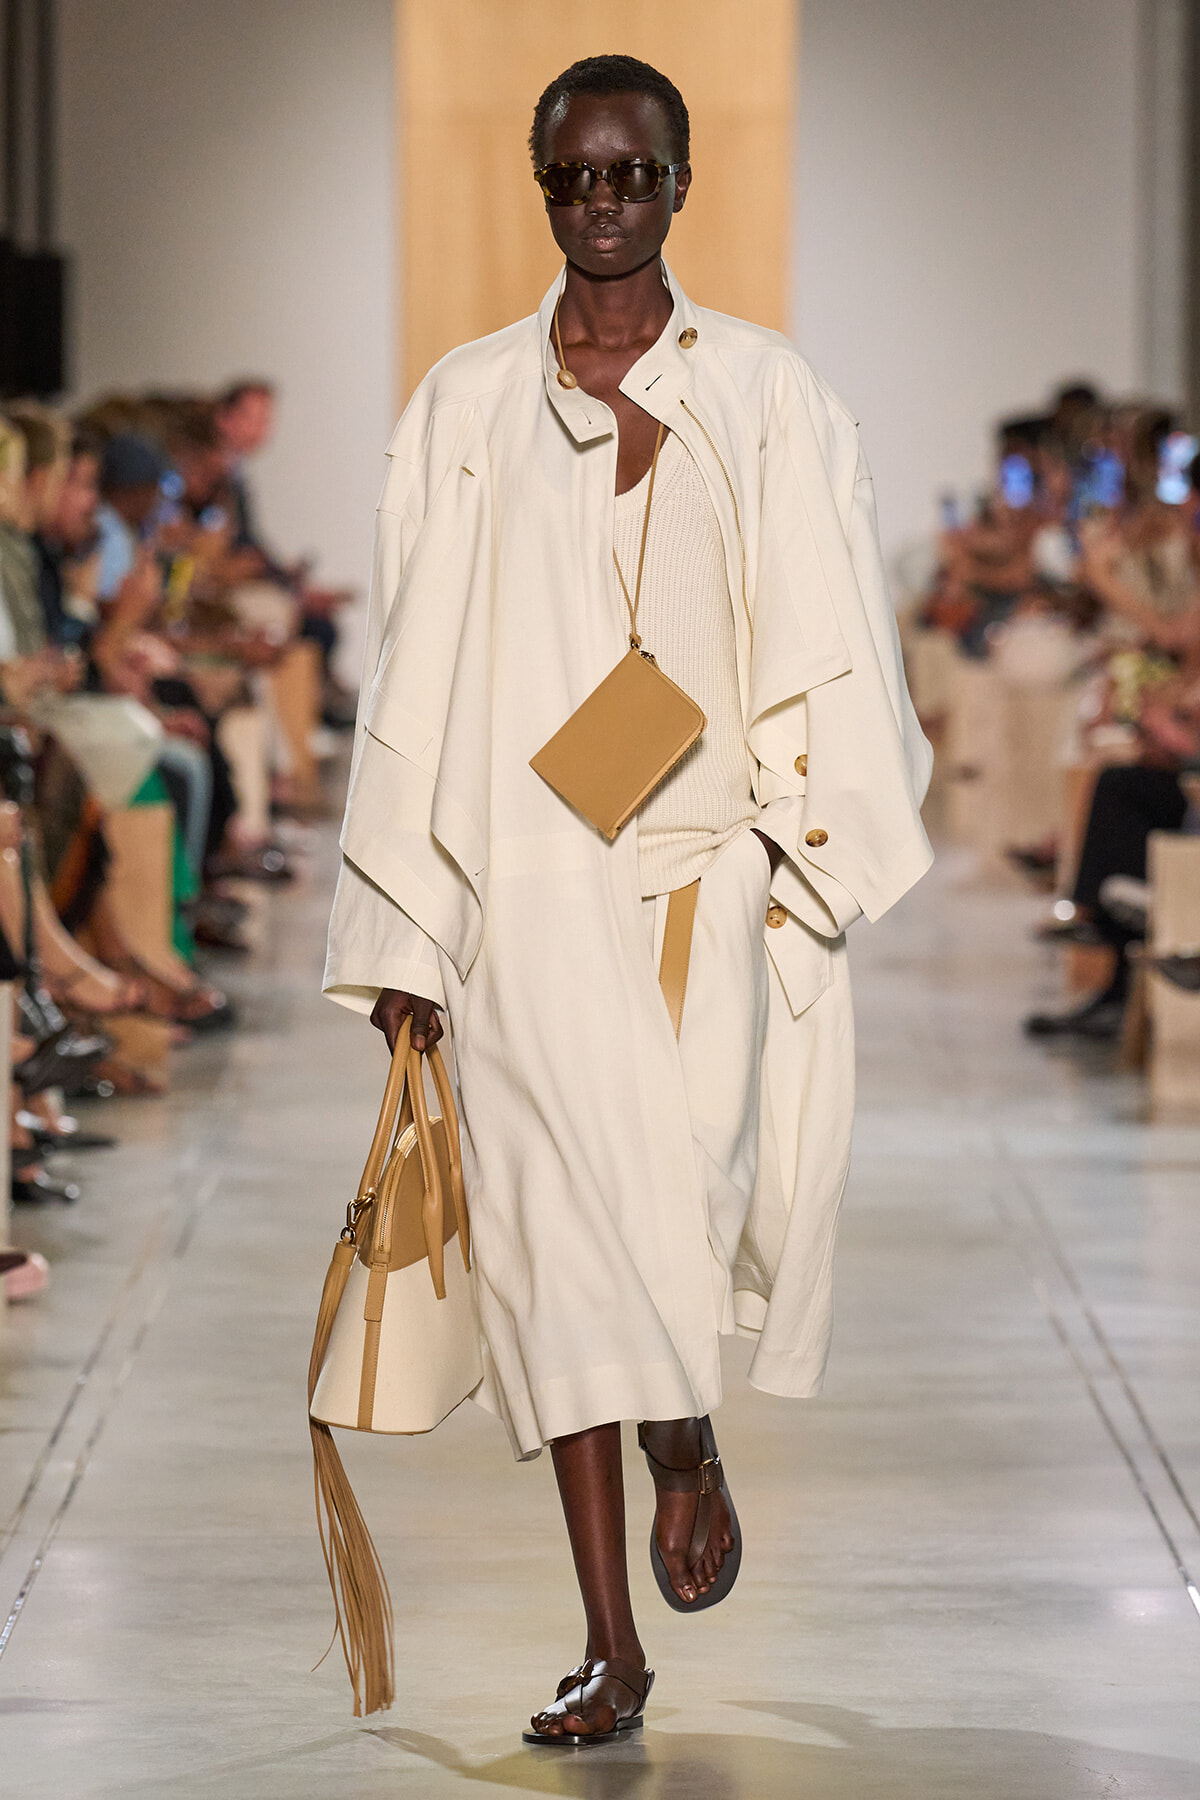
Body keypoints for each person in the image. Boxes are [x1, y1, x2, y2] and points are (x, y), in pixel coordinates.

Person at [324, 55, 932, 1742]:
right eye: (577, 179)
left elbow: (833, 633)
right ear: (544, 189)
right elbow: (413, 674)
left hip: (701, 875)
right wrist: (406, 937)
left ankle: (688, 1434)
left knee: (679, 1194)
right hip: (524, 886)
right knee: (556, 1258)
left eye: (634, 175)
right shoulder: (461, 405)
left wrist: (802, 866)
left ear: (679, 186)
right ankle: (613, 1643)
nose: (606, 204)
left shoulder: (765, 391)